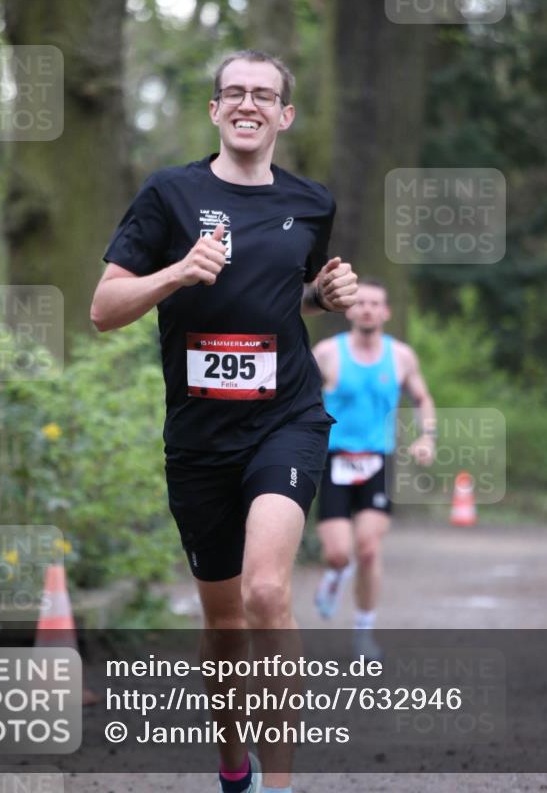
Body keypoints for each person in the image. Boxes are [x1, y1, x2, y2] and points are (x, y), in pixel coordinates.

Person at [90, 49, 358, 793]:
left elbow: (286, 294)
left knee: (266, 594)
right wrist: (177, 272)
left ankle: (279, 784)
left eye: (263, 94)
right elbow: (103, 310)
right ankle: (232, 762)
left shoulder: (311, 202)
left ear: (283, 114)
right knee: (223, 626)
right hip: (200, 437)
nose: (248, 103)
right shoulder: (167, 195)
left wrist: (323, 295)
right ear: (214, 110)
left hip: (287, 420)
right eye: (233, 92)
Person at [313, 280, 435, 660]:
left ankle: (364, 632)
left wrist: (426, 436)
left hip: (378, 461)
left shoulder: (400, 356)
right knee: (338, 553)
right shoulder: (327, 353)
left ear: (385, 312)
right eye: (360, 302)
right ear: (350, 310)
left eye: (374, 304)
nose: (367, 309)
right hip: (334, 460)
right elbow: (297, 396)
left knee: (367, 549)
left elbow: (422, 397)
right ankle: (335, 575)